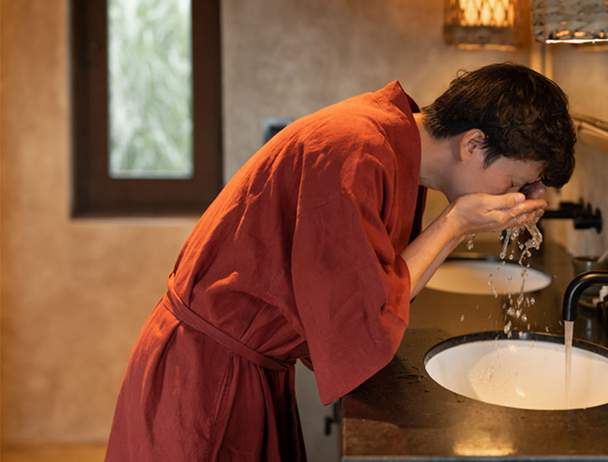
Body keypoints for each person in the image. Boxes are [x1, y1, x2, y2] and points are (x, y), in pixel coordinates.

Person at [104, 62, 576, 462]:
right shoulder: (354, 150)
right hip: (204, 382)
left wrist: (458, 221)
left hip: (236, 366)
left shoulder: (386, 140)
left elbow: (380, 281)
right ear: (473, 145)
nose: (520, 197)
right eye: (518, 181)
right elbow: (363, 311)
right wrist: (454, 224)